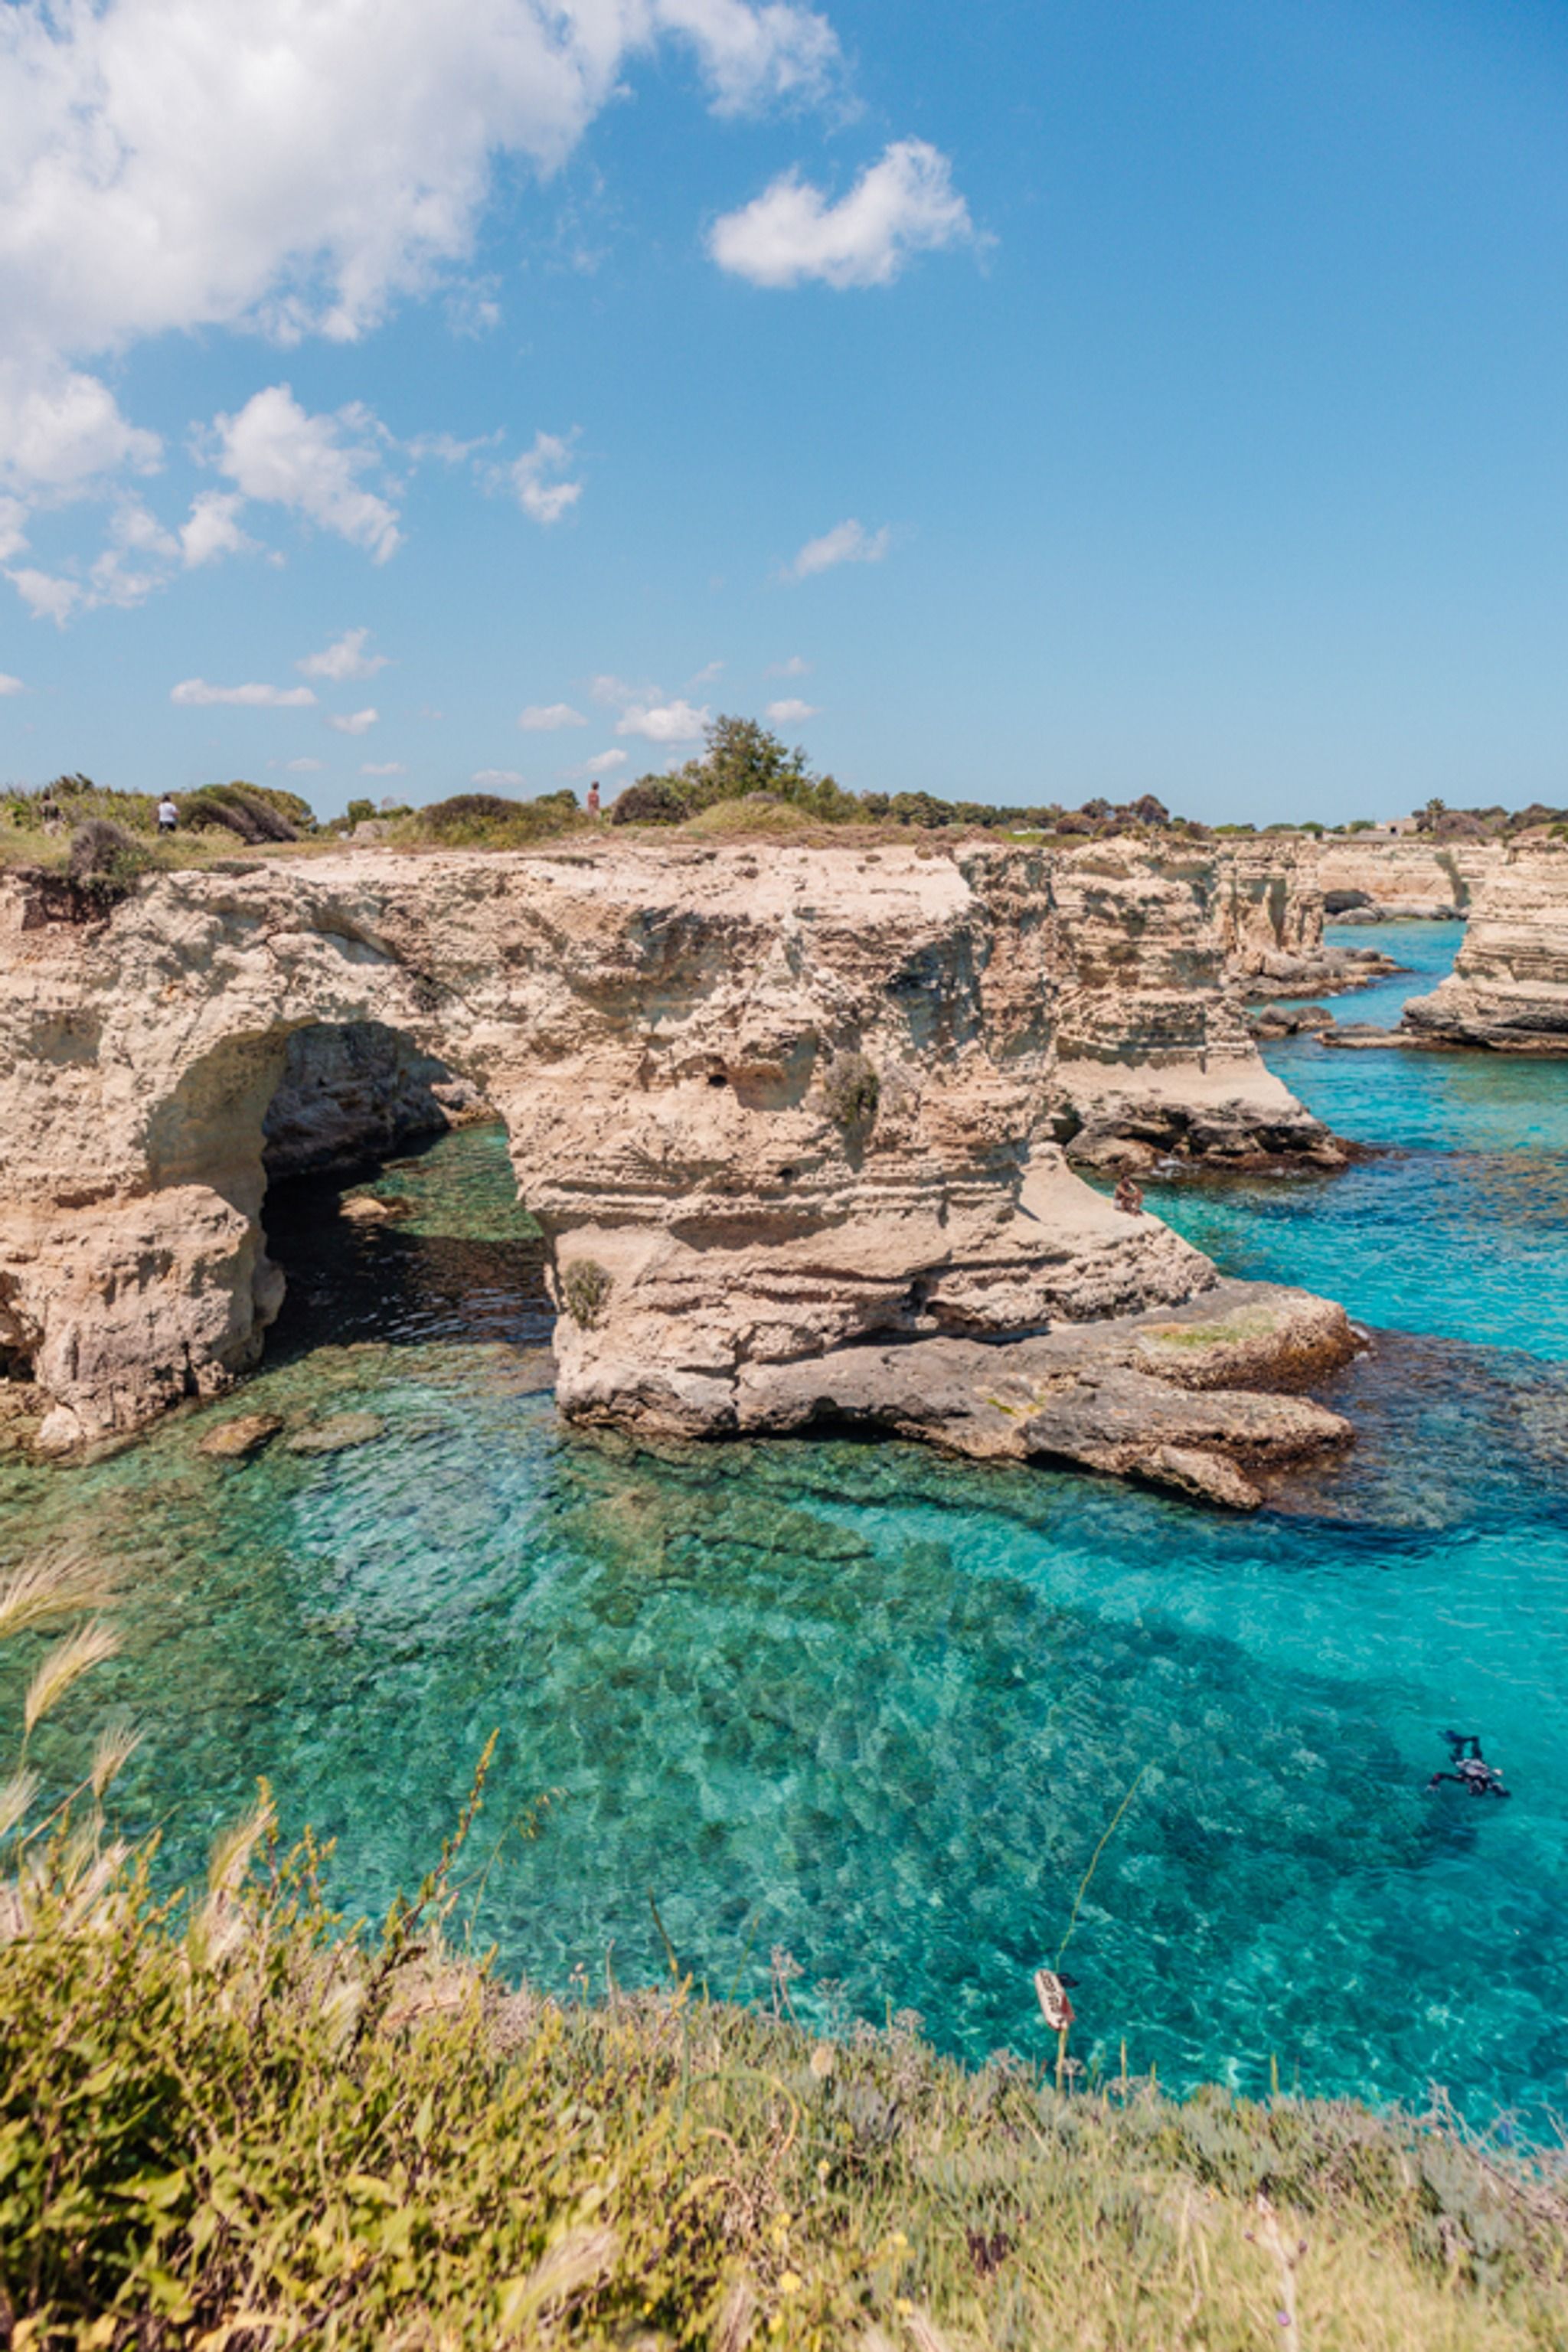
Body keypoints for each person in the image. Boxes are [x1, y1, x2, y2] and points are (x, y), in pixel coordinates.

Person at [1426, 1730, 1510, 1798]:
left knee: (1457, 1750)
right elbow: (1504, 1792)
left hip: (1464, 1762)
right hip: (1476, 1761)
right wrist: (1501, 1792)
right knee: (1475, 1750)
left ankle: (1457, 1739)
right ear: (1483, 1789)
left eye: (1472, 1787)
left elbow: (1439, 1775)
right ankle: (1467, 1740)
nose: (1473, 1785)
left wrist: (1432, 1784)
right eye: (1476, 1788)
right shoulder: (1489, 1783)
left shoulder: (1463, 1779)